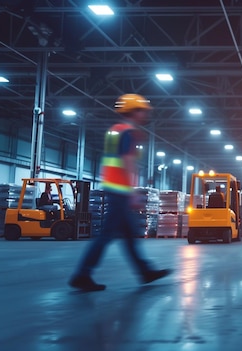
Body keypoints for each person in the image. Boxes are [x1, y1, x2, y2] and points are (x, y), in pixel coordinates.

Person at [69, 94, 171, 292]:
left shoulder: (115, 130)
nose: (145, 114)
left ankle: (145, 272)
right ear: (134, 111)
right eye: (142, 110)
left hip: (113, 186)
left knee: (129, 234)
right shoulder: (128, 132)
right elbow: (127, 161)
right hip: (120, 189)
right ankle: (82, 274)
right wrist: (133, 192)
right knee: (106, 235)